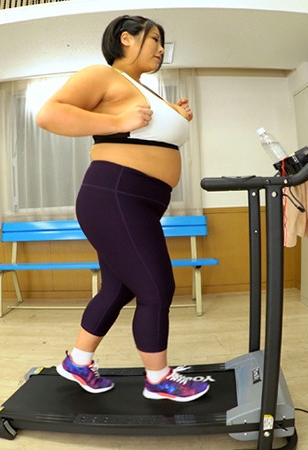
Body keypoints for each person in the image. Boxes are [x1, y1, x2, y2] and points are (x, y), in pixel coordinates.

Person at [35, 15, 209, 402]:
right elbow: (49, 115)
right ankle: (158, 379)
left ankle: (78, 362)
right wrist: (117, 120)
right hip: (115, 194)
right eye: (154, 39)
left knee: (118, 287)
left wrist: (176, 117)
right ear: (126, 38)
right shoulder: (103, 75)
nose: (161, 48)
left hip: (138, 201)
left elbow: (148, 134)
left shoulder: (143, 89)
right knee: (157, 287)